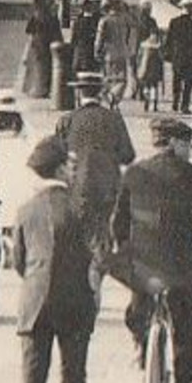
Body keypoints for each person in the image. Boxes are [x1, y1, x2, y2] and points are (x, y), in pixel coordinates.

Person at [112, 118, 192, 383]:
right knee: (187, 334)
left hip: (143, 267)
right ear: (173, 143)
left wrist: (125, 250)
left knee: (137, 310)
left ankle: (142, 346)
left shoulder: (134, 173)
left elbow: (118, 222)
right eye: (187, 144)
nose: (189, 150)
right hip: (180, 269)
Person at [11, 137, 97, 383]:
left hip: (34, 303)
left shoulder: (25, 210)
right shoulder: (80, 208)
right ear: (60, 169)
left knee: (33, 374)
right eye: (70, 165)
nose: (74, 171)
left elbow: (19, 261)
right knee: (73, 368)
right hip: (74, 298)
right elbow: (95, 253)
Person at [53, 71, 135, 262]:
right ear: (100, 93)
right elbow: (128, 156)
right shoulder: (113, 119)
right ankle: (100, 265)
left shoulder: (67, 120)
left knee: (79, 232)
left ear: (79, 94)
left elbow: (56, 156)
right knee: (102, 227)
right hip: (108, 185)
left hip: (77, 184)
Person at [0, 89, 38, 271]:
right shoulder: (25, 128)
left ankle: (6, 242)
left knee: (1, 210)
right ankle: (15, 244)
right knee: (17, 207)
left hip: (0, 174)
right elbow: (34, 151)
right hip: (18, 174)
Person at [163, 0, 192, 114]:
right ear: (191, 9)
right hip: (190, 58)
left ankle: (175, 103)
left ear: (181, 8)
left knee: (176, 80)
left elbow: (169, 40)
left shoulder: (174, 22)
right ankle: (184, 106)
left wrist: (168, 55)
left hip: (178, 57)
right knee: (188, 83)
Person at [96, 0, 138, 106]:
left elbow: (99, 39)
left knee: (109, 78)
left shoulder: (104, 20)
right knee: (122, 79)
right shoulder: (126, 20)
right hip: (122, 52)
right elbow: (132, 35)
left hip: (108, 53)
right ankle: (114, 98)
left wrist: (97, 51)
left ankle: (108, 95)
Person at [21, 0, 63, 99]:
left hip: (36, 45)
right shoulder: (52, 17)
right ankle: (43, 89)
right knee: (44, 67)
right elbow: (57, 33)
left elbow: (29, 33)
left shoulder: (36, 17)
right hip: (45, 45)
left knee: (36, 67)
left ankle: (34, 90)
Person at [136, 22, 166, 112]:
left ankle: (147, 103)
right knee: (155, 87)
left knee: (147, 87)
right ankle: (155, 105)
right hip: (155, 70)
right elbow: (162, 58)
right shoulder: (159, 46)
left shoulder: (143, 45)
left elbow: (139, 58)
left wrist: (138, 68)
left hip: (145, 69)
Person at [70, 0, 103, 75]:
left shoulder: (78, 20)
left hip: (80, 49)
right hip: (89, 48)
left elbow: (74, 36)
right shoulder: (96, 20)